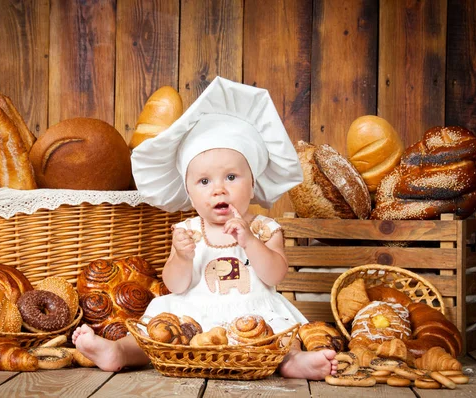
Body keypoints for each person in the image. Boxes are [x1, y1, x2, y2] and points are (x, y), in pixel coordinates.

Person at [73, 76, 338, 379]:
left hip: (253, 313)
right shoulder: (189, 231)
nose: (218, 190)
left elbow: (275, 274)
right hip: (195, 313)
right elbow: (176, 285)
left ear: (253, 184)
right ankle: (119, 351)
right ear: (189, 191)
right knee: (156, 330)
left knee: (279, 336)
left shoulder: (265, 228)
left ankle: (293, 363)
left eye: (231, 177)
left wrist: (250, 241)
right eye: (204, 181)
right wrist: (183, 258)